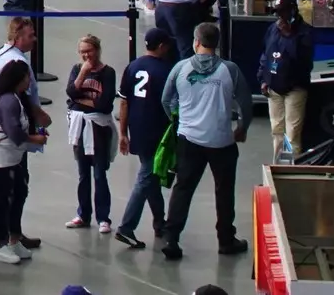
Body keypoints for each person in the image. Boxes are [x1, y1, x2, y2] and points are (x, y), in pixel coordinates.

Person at [159, 22, 251, 261]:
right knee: (224, 190)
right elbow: (246, 104)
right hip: (221, 141)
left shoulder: (180, 68)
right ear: (217, 43)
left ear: (196, 41)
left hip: (189, 139)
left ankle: (171, 238)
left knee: (183, 188)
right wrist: (242, 128)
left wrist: (177, 121)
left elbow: (166, 99)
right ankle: (226, 240)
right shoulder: (230, 70)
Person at [0, 19, 46, 252]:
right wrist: (33, 129)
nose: (34, 39)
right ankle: (11, 233)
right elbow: (24, 97)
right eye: (30, 35)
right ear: (16, 37)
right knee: (13, 187)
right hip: (5, 134)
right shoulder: (15, 62)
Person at [114, 27, 177, 249]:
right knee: (146, 178)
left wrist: (123, 133)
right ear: (161, 46)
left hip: (137, 130)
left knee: (150, 178)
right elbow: (171, 105)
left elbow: (124, 102)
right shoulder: (167, 71)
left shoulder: (133, 67)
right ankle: (126, 227)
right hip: (157, 132)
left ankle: (160, 223)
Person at [0, 60, 43, 265]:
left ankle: (14, 239)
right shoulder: (7, 101)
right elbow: (14, 132)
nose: (29, 81)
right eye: (26, 77)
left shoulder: (15, 98)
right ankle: (1, 244)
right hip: (1, 159)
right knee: (3, 201)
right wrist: (35, 139)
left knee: (18, 194)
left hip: (13, 158)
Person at [65, 35, 118, 232]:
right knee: (83, 174)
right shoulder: (77, 69)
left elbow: (105, 104)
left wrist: (82, 101)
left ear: (98, 50)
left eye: (90, 50)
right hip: (80, 127)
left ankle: (103, 217)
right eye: (82, 51)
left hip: (98, 128)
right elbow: (71, 94)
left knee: (99, 174)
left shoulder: (108, 72)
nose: (86, 55)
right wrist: (83, 74)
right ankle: (83, 214)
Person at [257, 0, 314, 160]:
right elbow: (266, 54)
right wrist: (263, 78)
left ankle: (292, 168)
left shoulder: (305, 32)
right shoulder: (272, 29)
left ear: (293, 12)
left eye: (283, 13)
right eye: (278, 14)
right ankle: (277, 165)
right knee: (276, 130)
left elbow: (303, 60)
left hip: (295, 87)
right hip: (274, 86)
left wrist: (289, 35)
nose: (280, 18)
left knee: (292, 133)